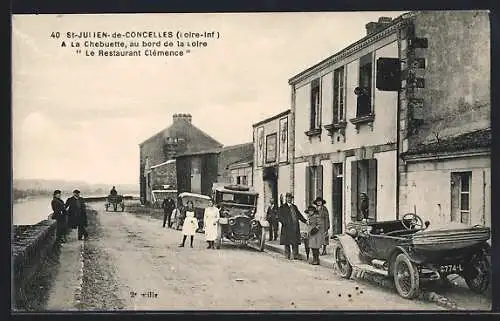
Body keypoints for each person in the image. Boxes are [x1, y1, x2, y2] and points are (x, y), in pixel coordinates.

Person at [278, 192, 307, 260]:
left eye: (290, 198)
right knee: (287, 242)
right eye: (288, 198)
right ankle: (287, 255)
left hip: (295, 227)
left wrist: (305, 221)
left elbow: (299, 215)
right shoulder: (282, 207)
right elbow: (279, 216)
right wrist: (284, 222)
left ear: (292, 199)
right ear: (286, 198)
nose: (289, 199)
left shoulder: (294, 207)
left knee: (295, 242)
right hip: (287, 227)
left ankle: (295, 255)